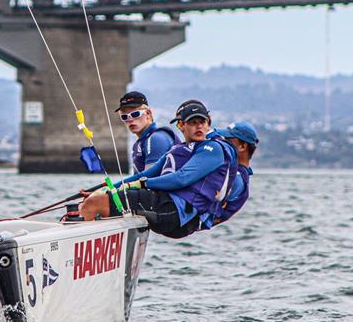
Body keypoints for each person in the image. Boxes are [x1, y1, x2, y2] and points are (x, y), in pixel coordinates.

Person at [79, 100, 238, 239]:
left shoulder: (212, 148)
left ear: (208, 123)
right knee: (96, 200)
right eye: (192, 122)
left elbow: (182, 178)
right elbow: (146, 174)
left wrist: (141, 185)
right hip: (166, 205)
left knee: (94, 203)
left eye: (202, 122)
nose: (198, 126)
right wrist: (108, 188)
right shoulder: (179, 149)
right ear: (181, 125)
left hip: (175, 211)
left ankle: (77, 262)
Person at [116, 91, 180, 173]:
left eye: (135, 114)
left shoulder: (156, 139)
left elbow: (149, 179)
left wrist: (119, 185)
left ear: (148, 113)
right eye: (124, 117)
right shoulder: (141, 143)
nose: (130, 120)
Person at [211, 121, 258, 224]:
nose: (224, 143)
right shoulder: (232, 169)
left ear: (242, 146)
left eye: (228, 140)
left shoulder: (237, 178)